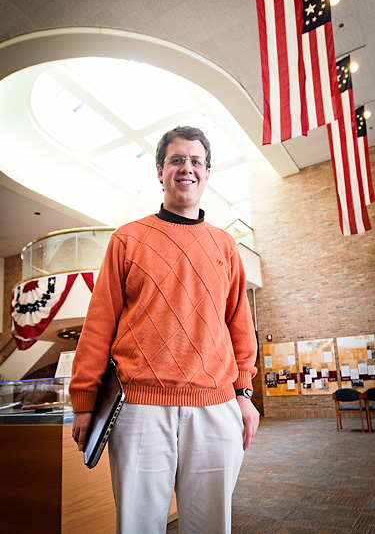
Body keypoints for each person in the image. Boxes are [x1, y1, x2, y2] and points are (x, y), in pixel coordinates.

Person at [69, 125, 260, 534]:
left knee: (211, 525)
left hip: (215, 405)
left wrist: (244, 393)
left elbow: (239, 325)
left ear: (207, 173)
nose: (186, 168)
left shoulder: (225, 246)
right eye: (176, 159)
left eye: (196, 161)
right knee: (138, 525)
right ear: (159, 170)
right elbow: (99, 324)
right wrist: (84, 399)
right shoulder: (128, 239)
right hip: (139, 407)